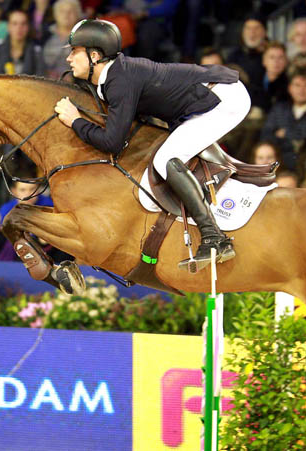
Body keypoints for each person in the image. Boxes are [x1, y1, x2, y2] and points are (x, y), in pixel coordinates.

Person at [53, 19, 249, 270]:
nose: (69, 58)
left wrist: (76, 121)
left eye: (74, 51)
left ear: (94, 55)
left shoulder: (120, 81)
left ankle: (214, 238)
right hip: (204, 100)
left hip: (224, 99)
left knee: (166, 159)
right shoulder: (113, 78)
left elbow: (112, 142)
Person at [260, 69, 306, 170]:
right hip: (279, 165)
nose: (301, 90)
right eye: (297, 85)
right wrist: (298, 138)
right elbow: (266, 135)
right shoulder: (279, 109)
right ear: (290, 88)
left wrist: (286, 133)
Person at [0, 9, 44, 76]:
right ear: (8, 27)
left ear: (28, 27)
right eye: (14, 24)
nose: (19, 28)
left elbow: (41, 79)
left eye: (23, 24)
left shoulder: (37, 50)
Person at [226, 17, 268, 101]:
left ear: (265, 32)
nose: (252, 33)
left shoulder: (273, 55)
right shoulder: (233, 56)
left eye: (256, 28)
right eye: (248, 28)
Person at [42, 0, 81, 79]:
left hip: (74, 84)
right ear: (55, 14)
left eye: (71, 11)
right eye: (62, 11)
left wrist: (73, 78)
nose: (66, 15)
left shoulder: (83, 36)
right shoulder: (45, 34)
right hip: (44, 80)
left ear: (77, 14)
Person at [256, 42, 288, 112]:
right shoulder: (254, 81)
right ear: (264, 61)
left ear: (286, 61)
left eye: (280, 57)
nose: (276, 61)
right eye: (272, 57)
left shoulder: (290, 86)